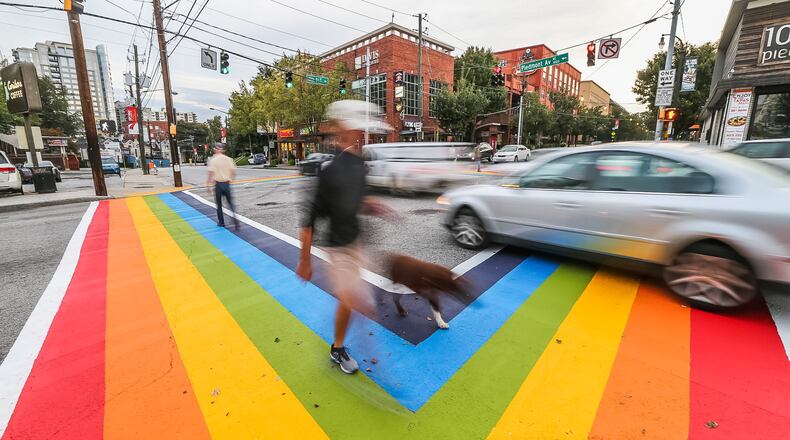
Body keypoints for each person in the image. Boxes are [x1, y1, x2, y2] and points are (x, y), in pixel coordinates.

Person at [296, 100, 396, 374]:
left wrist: (374, 207)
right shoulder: (329, 171)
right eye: (356, 128)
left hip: (357, 243)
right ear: (343, 129)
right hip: (338, 247)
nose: (361, 134)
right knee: (353, 299)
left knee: (357, 302)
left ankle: (345, 336)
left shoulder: (358, 164)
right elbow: (309, 220)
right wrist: (304, 261)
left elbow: (357, 201)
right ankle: (337, 349)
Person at [206, 143, 239, 229]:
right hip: (227, 183)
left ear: (215, 149)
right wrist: (231, 179)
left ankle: (221, 222)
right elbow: (233, 171)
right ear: (222, 150)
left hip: (218, 184)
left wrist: (208, 185)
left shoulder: (213, 160)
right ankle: (235, 218)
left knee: (219, 204)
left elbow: (210, 173)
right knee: (230, 203)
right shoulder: (228, 159)